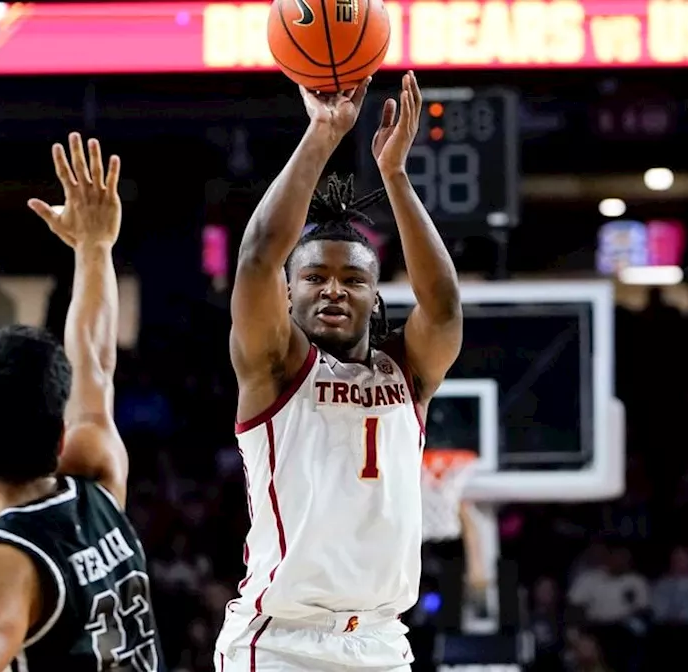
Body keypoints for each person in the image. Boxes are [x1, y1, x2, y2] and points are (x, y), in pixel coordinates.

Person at [216, 71, 464, 671]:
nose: (333, 290)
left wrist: (397, 178)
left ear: (374, 300)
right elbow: (255, 257)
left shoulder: (407, 372)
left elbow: (444, 306)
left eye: (353, 280)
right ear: (289, 296)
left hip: (380, 641)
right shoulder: (273, 369)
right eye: (314, 278)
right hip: (280, 642)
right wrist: (323, 133)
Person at [0, 133, 161, 671]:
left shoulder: (0, 562)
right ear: (60, 436)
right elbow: (94, 360)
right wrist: (94, 247)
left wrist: (93, 248)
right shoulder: (99, 482)